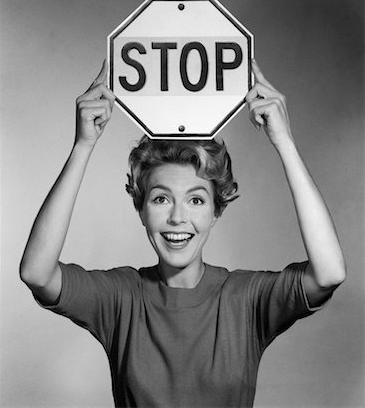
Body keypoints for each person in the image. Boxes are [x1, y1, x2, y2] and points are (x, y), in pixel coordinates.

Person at [20, 58, 346, 408]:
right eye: (161, 198)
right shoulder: (120, 299)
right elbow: (37, 272)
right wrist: (82, 146)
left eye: (195, 199)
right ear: (141, 208)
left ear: (216, 210)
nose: (177, 217)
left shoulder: (245, 299)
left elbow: (329, 273)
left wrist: (284, 143)